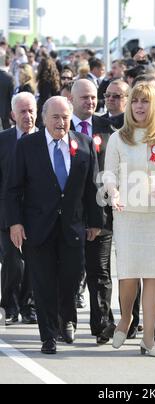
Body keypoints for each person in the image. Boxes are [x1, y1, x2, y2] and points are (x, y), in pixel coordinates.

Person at [6, 96, 102, 354]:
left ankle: (66, 318)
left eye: (65, 117)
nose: (61, 122)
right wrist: (14, 223)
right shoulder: (28, 145)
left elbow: (92, 186)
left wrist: (95, 222)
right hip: (38, 227)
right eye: (56, 117)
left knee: (71, 278)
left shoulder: (83, 143)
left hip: (73, 226)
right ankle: (48, 335)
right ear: (44, 118)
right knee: (43, 282)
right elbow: (13, 188)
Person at [103, 83, 155, 357]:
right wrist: (113, 193)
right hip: (126, 214)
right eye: (135, 101)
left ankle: (148, 341)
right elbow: (109, 174)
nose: (139, 106)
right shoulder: (118, 138)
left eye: (145, 101)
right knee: (128, 276)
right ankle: (126, 318)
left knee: (153, 278)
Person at [70, 79, 117, 343]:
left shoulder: (108, 129)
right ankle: (67, 321)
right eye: (84, 98)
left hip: (102, 214)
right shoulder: (60, 128)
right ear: (73, 100)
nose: (90, 102)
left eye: (93, 97)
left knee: (100, 273)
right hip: (70, 215)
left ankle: (101, 325)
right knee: (71, 271)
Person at [0, 92, 38, 325]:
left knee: (34, 262)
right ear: (13, 115)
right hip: (6, 213)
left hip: (36, 212)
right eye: (22, 111)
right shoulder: (3, 140)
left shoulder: (45, 138)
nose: (28, 116)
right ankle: (9, 305)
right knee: (13, 260)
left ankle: (29, 305)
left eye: (31, 110)